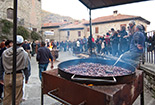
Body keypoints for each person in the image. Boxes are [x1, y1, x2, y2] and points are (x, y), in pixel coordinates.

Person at [0, 35, 31, 105]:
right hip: (18, 76)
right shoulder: (24, 54)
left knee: (7, 97)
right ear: (22, 43)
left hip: (7, 76)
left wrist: (1, 77)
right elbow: (27, 67)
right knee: (17, 97)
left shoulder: (5, 53)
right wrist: (27, 77)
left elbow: (1, 66)